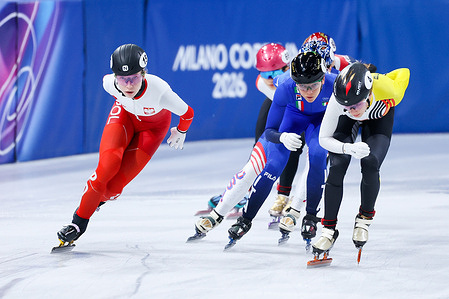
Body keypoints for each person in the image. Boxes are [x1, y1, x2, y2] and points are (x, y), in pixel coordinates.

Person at [187, 50, 333, 246]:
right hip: (291, 117)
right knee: (271, 165)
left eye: (313, 85)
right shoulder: (283, 86)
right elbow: (270, 129)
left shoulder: (336, 83)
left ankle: (309, 216)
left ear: (324, 78)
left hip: (320, 120)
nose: (308, 91)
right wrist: (282, 137)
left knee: (318, 155)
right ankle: (241, 219)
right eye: (302, 86)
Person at [55, 44, 194, 247]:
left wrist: (180, 131)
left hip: (152, 129)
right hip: (124, 118)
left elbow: (187, 113)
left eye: (134, 79)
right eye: (122, 79)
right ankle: (77, 223)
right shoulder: (108, 83)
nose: (128, 85)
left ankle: (98, 201)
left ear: (143, 74)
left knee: (113, 188)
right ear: (115, 77)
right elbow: (121, 96)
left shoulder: (161, 92)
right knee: (107, 166)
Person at [311, 62, 410, 260]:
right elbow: (324, 139)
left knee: (371, 163)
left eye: (355, 105)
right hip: (349, 123)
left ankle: (364, 219)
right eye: (346, 107)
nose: (351, 110)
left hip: (379, 116)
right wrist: (347, 148)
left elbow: (404, 72)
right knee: (337, 166)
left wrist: (383, 77)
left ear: (368, 93)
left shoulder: (388, 89)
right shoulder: (339, 102)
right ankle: (328, 230)